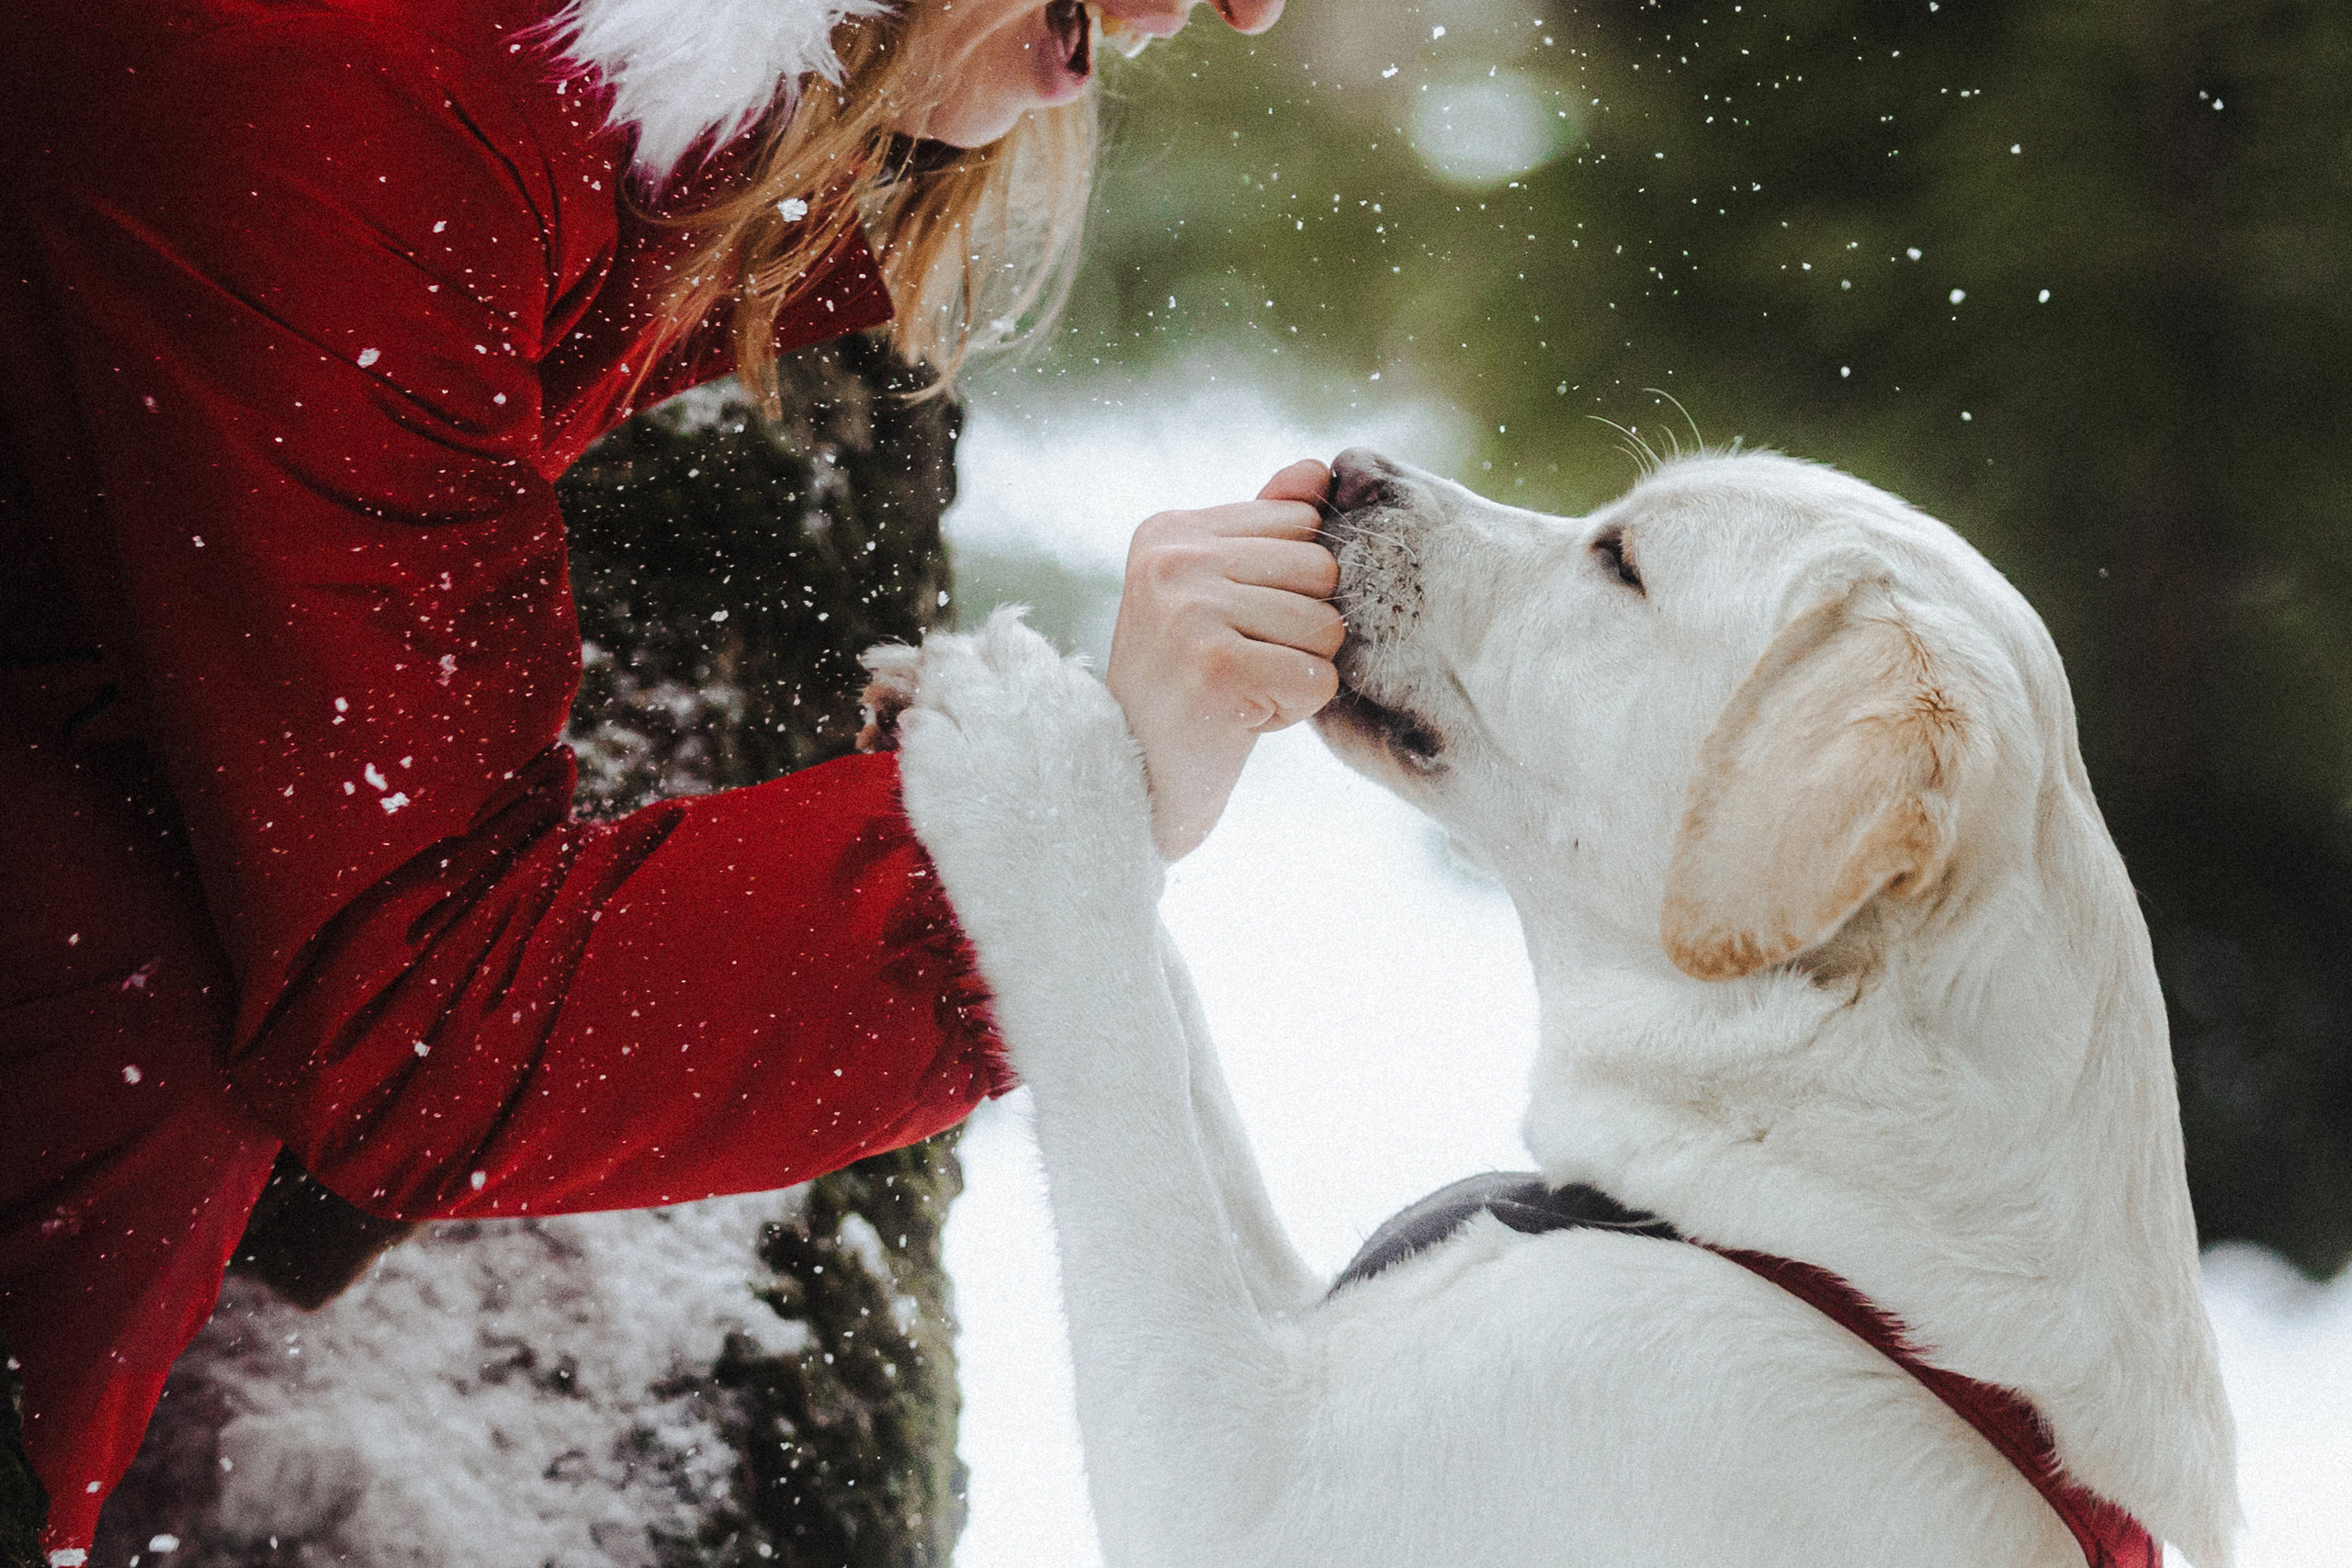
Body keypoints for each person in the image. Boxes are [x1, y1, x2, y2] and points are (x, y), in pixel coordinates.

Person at [0, 0, 1345, 1554]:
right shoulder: (366, 89)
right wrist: (1065, 832)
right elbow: (424, 1012)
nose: (1245, 6)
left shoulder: (556, 102)